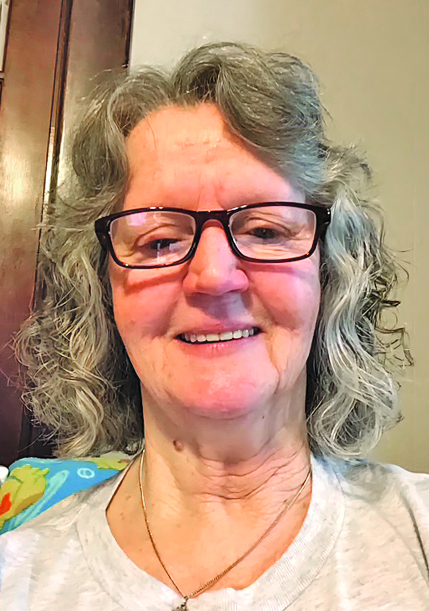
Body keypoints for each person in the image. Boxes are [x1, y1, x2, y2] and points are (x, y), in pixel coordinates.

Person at [0, 41, 426, 610]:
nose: (214, 276)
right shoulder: (16, 578)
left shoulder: (418, 534)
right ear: (102, 292)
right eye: (160, 241)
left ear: (330, 275)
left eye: (266, 231)